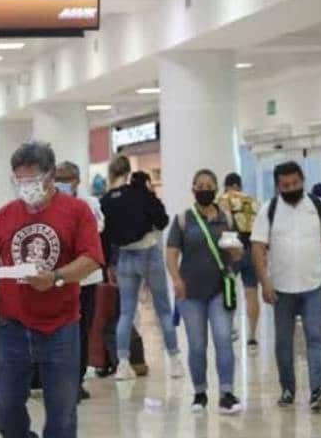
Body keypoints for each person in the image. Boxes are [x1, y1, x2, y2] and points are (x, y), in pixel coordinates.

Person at [0, 141, 104, 438]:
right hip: (13, 324)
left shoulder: (75, 211)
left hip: (60, 324)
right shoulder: (6, 215)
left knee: (62, 408)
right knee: (6, 404)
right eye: (19, 179)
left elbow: (93, 258)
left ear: (50, 176)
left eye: (33, 179)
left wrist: (57, 277)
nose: (26, 186)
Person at [251, 161, 321, 412]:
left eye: (295, 183)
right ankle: (288, 388)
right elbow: (257, 247)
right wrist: (265, 282)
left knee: (315, 337)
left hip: (313, 286)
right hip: (281, 290)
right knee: (283, 343)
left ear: (303, 181)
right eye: (285, 185)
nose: (291, 188)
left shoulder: (318, 206)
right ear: (278, 186)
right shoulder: (268, 210)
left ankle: (317, 390)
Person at [166, 170, 244, 414]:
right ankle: (199, 393)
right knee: (197, 344)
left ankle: (227, 392)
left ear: (216, 189)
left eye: (209, 185)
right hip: (190, 292)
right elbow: (171, 253)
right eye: (200, 185)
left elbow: (237, 253)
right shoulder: (182, 220)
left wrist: (235, 251)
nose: (204, 189)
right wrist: (176, 280)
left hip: (220, 289)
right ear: (193, 189)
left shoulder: (227, 220)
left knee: (223, 340)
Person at [101, 155, 183, 381]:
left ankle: (123, 364)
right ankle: (174, 361)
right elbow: (162, 219)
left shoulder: (106, 200)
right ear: (128, 171)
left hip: (124, 257)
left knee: (126, 313)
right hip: (149, 254)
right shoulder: (138, 193)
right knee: (163, 310)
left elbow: (105, 236)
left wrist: (109, 263)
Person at [54, 160, 105, 401]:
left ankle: (78, 379)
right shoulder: (50, 204)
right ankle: (60, 380)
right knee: (63, 330)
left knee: (83, 330)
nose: (60, 183)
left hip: (86, 278)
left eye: (65, 179)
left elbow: (98, 228)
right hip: (60, 278)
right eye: (57, 178)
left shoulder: (90, 203)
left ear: (76, 180)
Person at [218, 172, 261, 350]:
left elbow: (221, 224)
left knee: (228, 290)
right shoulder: (252, 200)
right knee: (251, 293)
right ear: (239, 185)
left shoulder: (223, 199)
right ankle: (252, 336)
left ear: (226, 186)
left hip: (232, 249)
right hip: (251, 249)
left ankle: (231, 327)